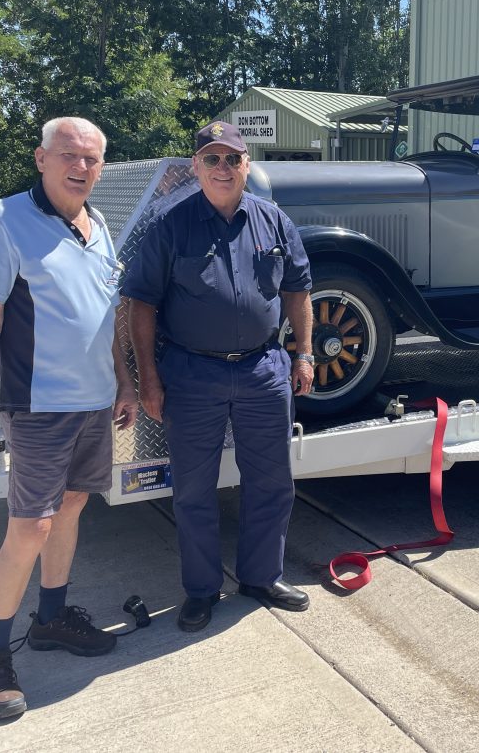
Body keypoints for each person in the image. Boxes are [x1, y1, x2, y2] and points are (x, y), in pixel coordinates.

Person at [0, 116, 138, 721]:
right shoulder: (5, 220)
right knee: (29, 527)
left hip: (95, 404)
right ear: (41, 158)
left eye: (91, 158)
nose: (80, 167)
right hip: (38, 407)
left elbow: (107, 317)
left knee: (74, 507)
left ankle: (53, 617)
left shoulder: (100, 224)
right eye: (68, 155)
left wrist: (126, 383)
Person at [122, 120, 314, 632]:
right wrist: (149, 381)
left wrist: (305, 355)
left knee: (272, 482)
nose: (223, 168)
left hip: (264, 370)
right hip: (191, 374)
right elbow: (140, 303)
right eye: (212, 159)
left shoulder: (274, 221)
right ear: (196, 168)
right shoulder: (172, 225)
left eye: (233, 158)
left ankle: (260, 577)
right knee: (192, 489)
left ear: (248, 164)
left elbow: (297, 292)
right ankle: (202, 590)